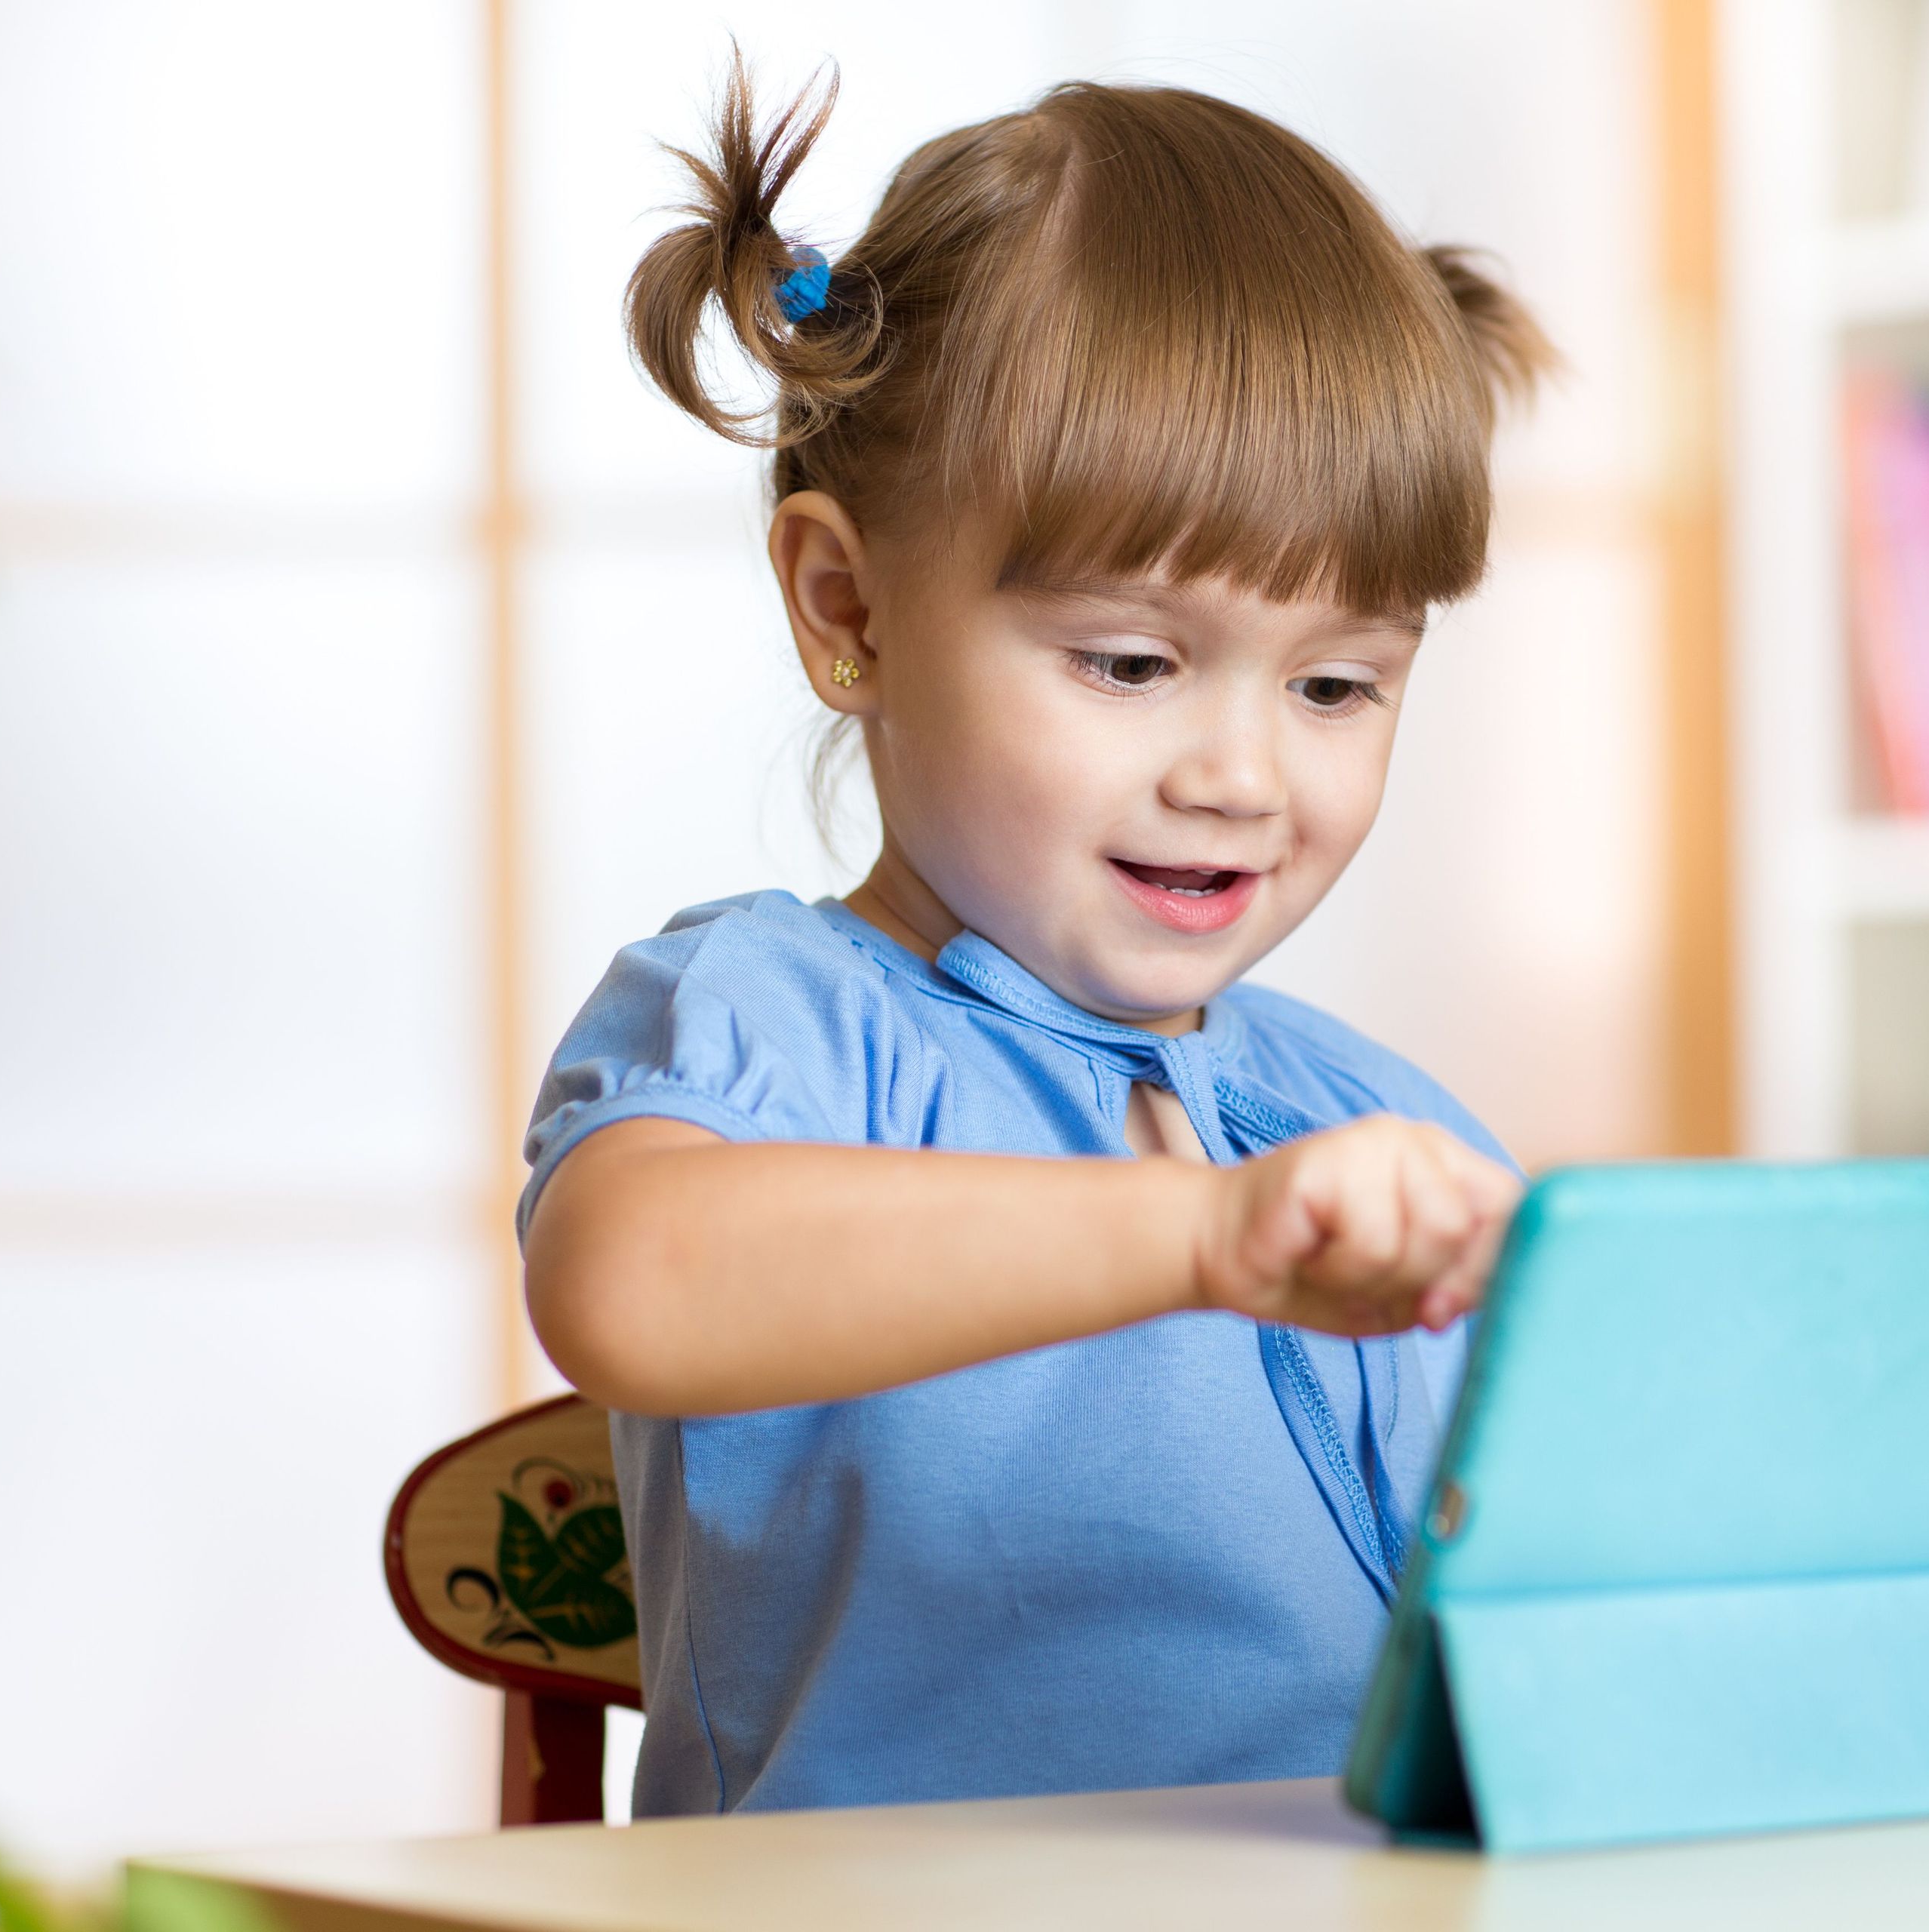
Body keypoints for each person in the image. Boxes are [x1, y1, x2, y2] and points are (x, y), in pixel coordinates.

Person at [518, 58, 1552, 1817]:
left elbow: (1530, 1606)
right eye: (1131, 663)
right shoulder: (772, 1015)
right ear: (848, 609)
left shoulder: (1374, 1119)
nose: (1240, 773)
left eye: (1336, 683)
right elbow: (630, 1283)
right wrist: (1199, 1234)